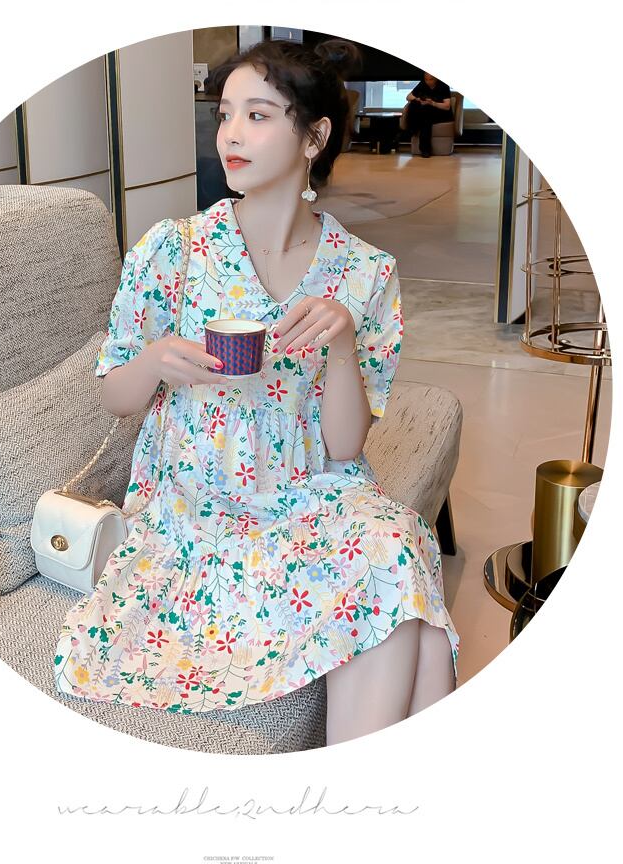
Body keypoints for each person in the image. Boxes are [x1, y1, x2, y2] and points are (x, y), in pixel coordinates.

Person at [53, 38, 459, 746]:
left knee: (396, 548)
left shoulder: (365, 272)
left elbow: (345, 446)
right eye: (225, 115)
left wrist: (340, 341)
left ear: (314, 137)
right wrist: (155, 361)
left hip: (309, 495)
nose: (231, 134)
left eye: (259, 115)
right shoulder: (174, 251)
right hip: (196, 513)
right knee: (415, 618)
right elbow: (116, 395)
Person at [402, 72, 454, 157]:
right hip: (426, 112)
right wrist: (418, 99)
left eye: (431, 79)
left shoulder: (443, 86)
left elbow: (447, 106)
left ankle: (412, 131)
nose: (428, 82)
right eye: (426, 79)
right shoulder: (423, 84)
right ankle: (424, 148)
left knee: (425, 115)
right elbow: (408, 97)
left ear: (436, 78)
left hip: (442, 113)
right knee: (414, 104)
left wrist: (432, 103)